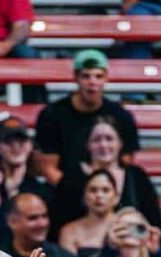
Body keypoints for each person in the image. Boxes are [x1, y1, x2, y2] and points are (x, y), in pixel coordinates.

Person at [32, 50, 140, 186]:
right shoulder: (52, 114)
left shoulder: (121, 116)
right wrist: (77, 194)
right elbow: (48, 168)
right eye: (86, 76)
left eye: (98, 76)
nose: (92, 82)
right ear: (76, 78)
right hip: (64, 190)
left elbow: (125, 163)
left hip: (109, 190)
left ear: (106, 78)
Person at [49, 118, 161, 236]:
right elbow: (57, 224)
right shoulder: (71, 178)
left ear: (120, 143)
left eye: (109, 139)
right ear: (87, 144)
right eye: (96, 140)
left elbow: (153, 223)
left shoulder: (137, 177)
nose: (103, 145)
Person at [55, 170, 121, 257]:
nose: (99, 195)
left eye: (105, 190)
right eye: (93, 190)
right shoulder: (69, 231)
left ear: (116, 197)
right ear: (84, 196)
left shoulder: (127, 226)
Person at [0, 116, 51, 201]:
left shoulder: (43, 189)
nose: (16, 147)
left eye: (22, 141)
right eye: (8, 142)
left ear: (31, 145)